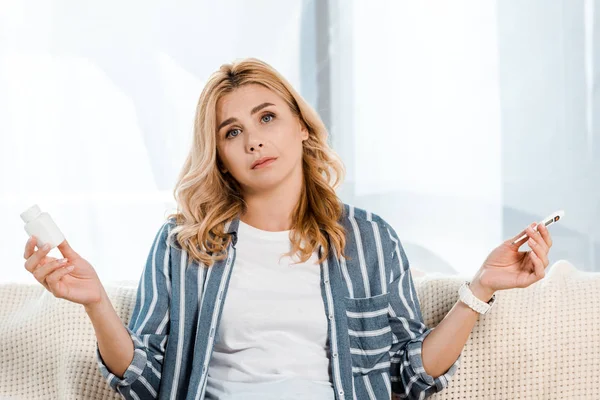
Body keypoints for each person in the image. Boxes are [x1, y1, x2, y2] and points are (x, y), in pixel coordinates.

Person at [23, 57, 553, 400]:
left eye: (267, 117)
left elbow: (411, 377)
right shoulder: (183, 245)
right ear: (221, 157)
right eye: (233, 132)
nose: (254, 140)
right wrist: (96, 303)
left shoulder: (369, 241)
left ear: (301, 125)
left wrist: (480, 287)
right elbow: (144, 380)